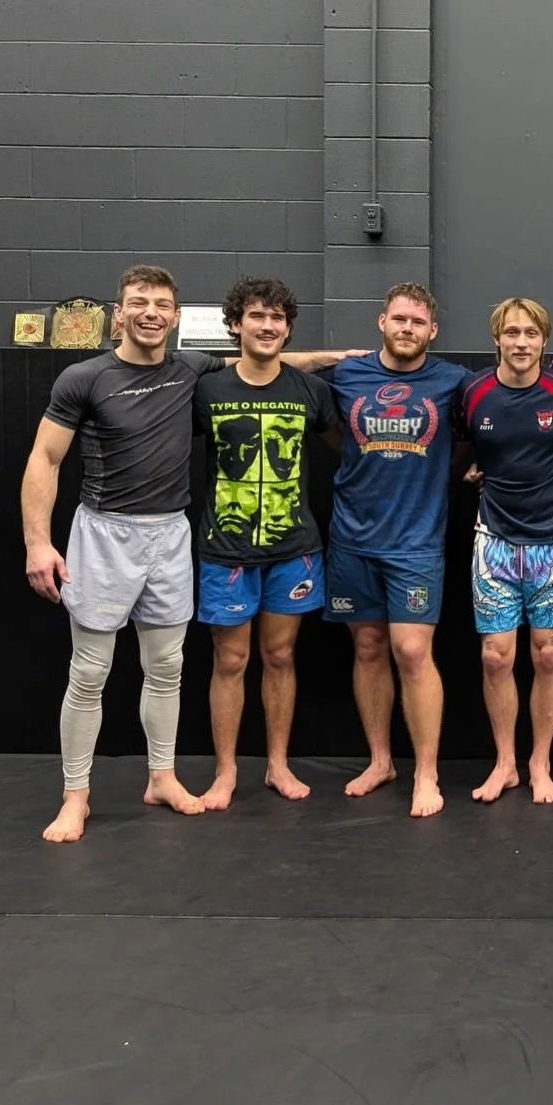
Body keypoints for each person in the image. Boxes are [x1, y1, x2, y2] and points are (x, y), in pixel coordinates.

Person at [21, 264, 341, 843]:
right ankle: (76, 795)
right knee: (90, 671)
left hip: (170, 534)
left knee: (166, 670)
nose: (150, 312)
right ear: (118, 313)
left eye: (161, 303)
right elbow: (44, 459)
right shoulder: (83, 377)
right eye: (138, 302)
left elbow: (267, 365)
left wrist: (339, 356)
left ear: (175, 316)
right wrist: (38, 543)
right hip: (104, 534)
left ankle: (162, 778)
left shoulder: (190, 368)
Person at [324, 283, 474, 818]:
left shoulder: (453, 381)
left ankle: (426, 773)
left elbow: (490, 416)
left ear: (432, 331)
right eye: (399, 319)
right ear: (381, 322)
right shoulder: (347, 375)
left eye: (418, 322)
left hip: (416, 541)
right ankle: (381, 760)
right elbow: (330, 429)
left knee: (411, 652)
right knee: (367, 648)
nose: (407, 329)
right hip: (352, 538)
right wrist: (323, 354)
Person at [193, 276, 340, 810]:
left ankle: (277, 765)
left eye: (277, 318)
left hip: (293, 548)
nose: (267, 325)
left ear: (287, 328)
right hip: (225, 549)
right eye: (256, 315)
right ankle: (226, 772)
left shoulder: (310, 392)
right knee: (230, 661)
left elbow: (351, 450)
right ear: (235, 323)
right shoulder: (207, 389)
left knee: (280, 655)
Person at [460, 297, 553, 806]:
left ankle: (540, 762)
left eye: (530, 334)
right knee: (495, 658)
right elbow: (460, 446)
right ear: (496, 338)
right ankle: (506, 764)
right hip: (493, 540)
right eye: (511, 333)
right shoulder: (471, 391)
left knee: (549, 655)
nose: (520, 343)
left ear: (544, 340)